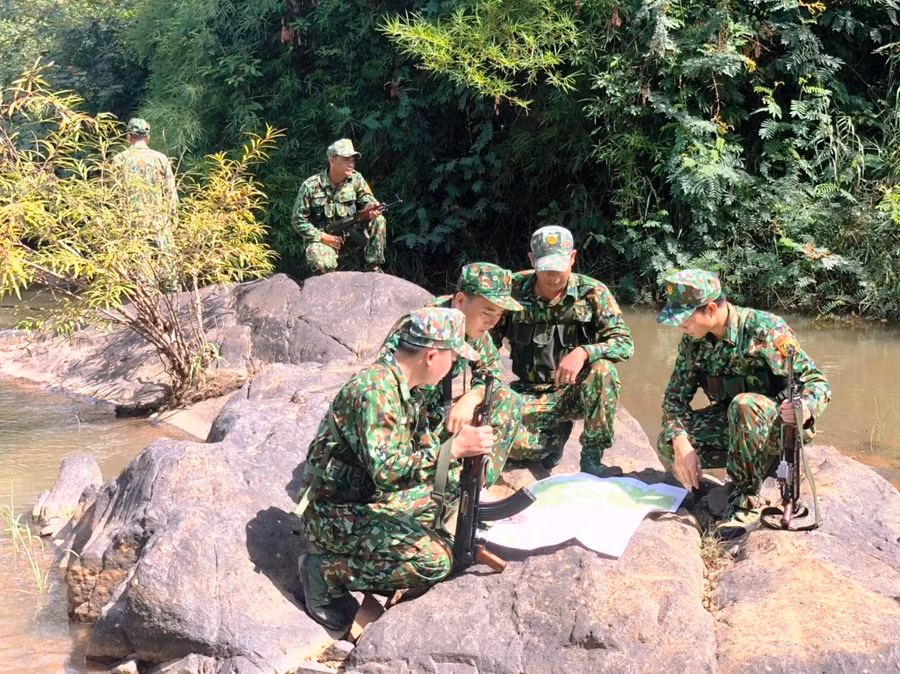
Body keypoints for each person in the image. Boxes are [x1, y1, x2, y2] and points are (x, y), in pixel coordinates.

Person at [298, 307, 493, 631]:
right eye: (452, 358)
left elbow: (418, 450)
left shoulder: (403, 387)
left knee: (445, 495)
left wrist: (456, 455)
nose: (454, 367)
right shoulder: (375, 393)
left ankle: (381, 563)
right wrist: (453, 449)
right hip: (330, 513)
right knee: (435, 560)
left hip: (363, 500)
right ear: (432, 356)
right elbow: (388, 473)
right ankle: (324, 572)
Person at [656, 269, 831, 534]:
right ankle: (739, 470)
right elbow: (674, 398)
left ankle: (746, 501)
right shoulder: (693, 343)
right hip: (735, 427)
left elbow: (817, 382)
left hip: (777, 430)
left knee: (744, 405)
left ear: (711, 308)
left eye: (685, 319)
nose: (681, 326)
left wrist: (805, 408)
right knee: (668, 442)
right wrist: (681, 442)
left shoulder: (765, 330)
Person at [493, 226, 634, 476]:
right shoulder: (512, 290)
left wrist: (584, 352)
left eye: (560, 264)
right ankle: (553, 439)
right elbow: (486, 343)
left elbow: (624, 343)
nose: (553, 274)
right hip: (525, 392)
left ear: (572, 258)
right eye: (545, 265)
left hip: (570, 392)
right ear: (532, 260)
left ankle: (592, 460)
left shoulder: (592, 293)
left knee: (604, 371)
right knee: (506, 447)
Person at [378, 262, 523, 486]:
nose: (493, 322)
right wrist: (443, 448)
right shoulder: (421, 328)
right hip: (411, 428)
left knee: (507, 400)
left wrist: (472, 398)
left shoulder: (474, 328)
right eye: (487, 312)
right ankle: (446, 486)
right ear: (461, 300)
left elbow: (492, 371)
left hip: (441, 419)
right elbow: (388, 393)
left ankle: (478, 484)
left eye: (499, 314)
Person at [291, 138, 387, 274]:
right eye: (346, 159)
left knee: (379, 220)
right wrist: (322, 237)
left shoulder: (356, 179)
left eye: (353, 160)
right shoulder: (311, 186)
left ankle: (373, 268)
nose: (351, 164)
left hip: (351, 236)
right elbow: (298, 220)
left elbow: (368, 201)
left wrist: (372, 209)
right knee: (321, 263)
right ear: (332, 160)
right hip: (324, 239)